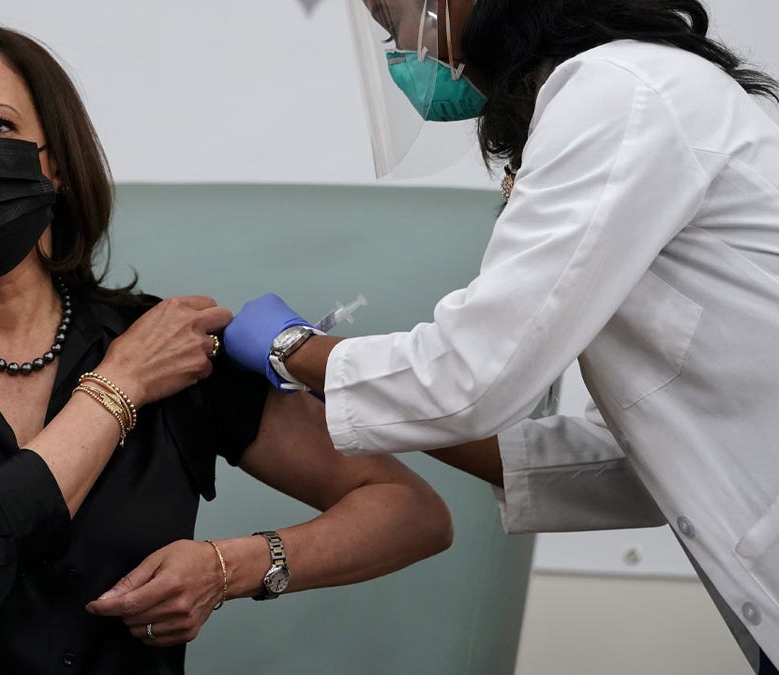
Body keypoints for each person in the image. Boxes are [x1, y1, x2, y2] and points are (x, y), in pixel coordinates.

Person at [0, 23, 452, 675]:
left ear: (57, 166)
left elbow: (410, 510)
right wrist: (119, 383)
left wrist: (229, 566)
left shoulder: (171, 346)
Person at [223, 0, 779, 671]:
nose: (395, 42)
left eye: (390, 14)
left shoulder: (616, 92)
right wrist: (347, 390)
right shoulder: (624, 93)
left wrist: (295, 351)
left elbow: (472, 378)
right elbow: (652, 455)